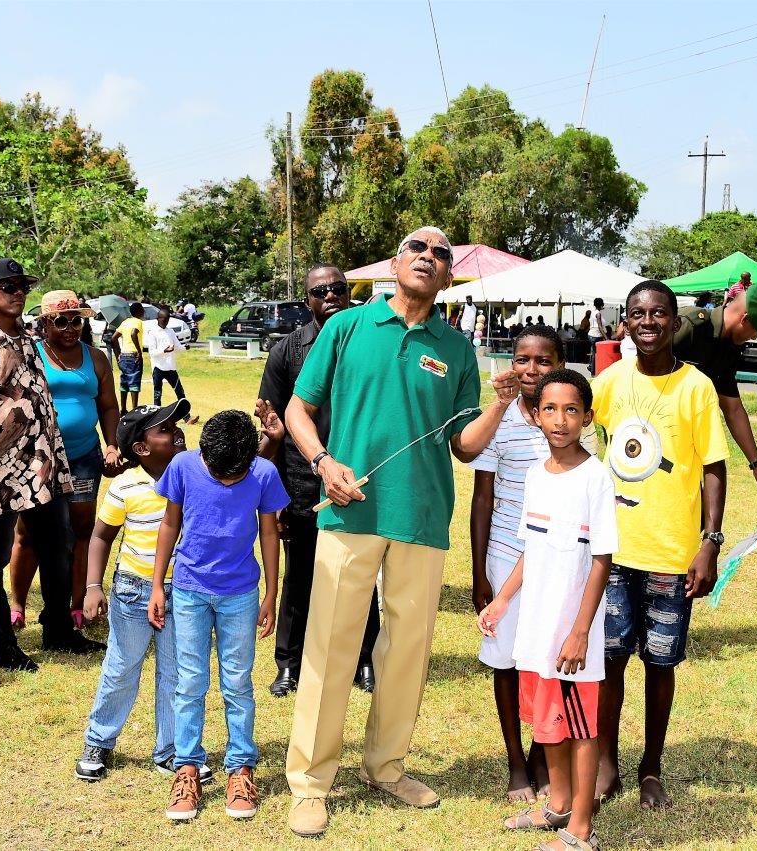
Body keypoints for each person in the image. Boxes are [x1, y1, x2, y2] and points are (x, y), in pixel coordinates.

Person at [282, 226, 520, 837]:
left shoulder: (457, 349)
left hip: (421, 517)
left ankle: (386, 766)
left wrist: (500, 401)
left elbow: (465, 446)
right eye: (419, 248)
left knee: (405, 653)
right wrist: (322, 463)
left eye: (442, 255)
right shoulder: (347, 327)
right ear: (396, 262)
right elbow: (297, 410)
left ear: (449, 277)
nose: (429, 258)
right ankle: (310, 783)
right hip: (349, 511)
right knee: (330, 649)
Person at [592, 279, 728, 810]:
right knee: (610, 662)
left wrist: (709, 543)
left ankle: (651, 767)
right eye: (637, 314)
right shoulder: (609, 381)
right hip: (614, 551)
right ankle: (607, 764)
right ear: (625, 323)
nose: (648, 322)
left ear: (675, 322)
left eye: (659, 313)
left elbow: (714, 468)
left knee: (660, 663)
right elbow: (576, 427)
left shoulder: (696, 387)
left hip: (672, 555)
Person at [479, 368, 616, 851]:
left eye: (571, 410)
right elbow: (529, 550)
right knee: (547, 722)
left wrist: (580, 631)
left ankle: (581, 828)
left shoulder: (595, 478)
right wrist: (501, 599)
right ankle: (558, 805)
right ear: (536, 416)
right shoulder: (537, 474)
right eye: (551, 409)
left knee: (579, 729)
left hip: (571, 634)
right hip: (536, 629)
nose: (560, 420)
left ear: (588, 418)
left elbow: (601, 559)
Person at [0, 258, 103, 672]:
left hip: (40, 468)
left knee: (58, 547)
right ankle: (0, 644)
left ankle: (58, 630)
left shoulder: (28, 339)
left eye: (21, 287)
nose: (17, 293)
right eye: (7, 286)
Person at [148, 410, 290, 821]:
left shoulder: (263, 474)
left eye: (235, 474)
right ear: (202, 452)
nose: (227, 480)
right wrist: (159, 584)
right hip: (190, 591)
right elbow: (169, 524)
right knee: (189, 682)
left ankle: (240, 767)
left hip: (241, 595)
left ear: (251, 458)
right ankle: (187, 767)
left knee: (237, 682)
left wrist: (272, 593)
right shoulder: (181, 466)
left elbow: (268, 532)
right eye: (218, 472)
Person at [73, 400, 212, 786]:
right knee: (122, 667)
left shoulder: (196, 477)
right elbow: (100, 536)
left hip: (183, 592)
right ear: (141, 449)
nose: (177, 431)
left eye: (176, 424)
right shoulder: (125, 486)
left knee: (177, 672)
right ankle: (98, 741)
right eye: (165, 429)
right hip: (133, 591)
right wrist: (92, 586)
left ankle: (171, 750)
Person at [258, 266, 380, 699]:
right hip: (303, 480)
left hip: (359, 478)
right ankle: (289, 663)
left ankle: (365, 659)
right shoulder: (287, 351)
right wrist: (274, 494)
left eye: (337, 288)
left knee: (360, 574)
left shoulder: (370, 341)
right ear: (306, 299)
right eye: (319, 290)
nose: (329, 295)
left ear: (349, 293)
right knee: (300, 575)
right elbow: (274, 425)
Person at [469, 326, 565, 802]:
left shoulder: (569, 419)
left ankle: (542, 753)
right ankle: (515, 761)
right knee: (505, 661)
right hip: (505, 557)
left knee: (548, 661)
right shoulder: (500, 419)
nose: (532, 369)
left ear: (560, 364)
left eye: (544, 361)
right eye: (523, 359)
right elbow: (482, 497)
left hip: (558, 560)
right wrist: (478, 573)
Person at [8, 291, 122, 632]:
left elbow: (108, 407)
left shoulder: (97, 358)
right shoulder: (31, 354)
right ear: (44, 323)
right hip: (38, 458)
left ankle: (76, 606)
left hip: (84, 457)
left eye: (77, 320)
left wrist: (112, 445)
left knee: (81, 530)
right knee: (27, 532)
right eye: (61, 321)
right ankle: (17, 605)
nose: (71, 327)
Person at [673, 282, 757, 500]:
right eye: (756, 330)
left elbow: (733, 409)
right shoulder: (690, 326)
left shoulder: (729, 348)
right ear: (744, 319)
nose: (754, 337)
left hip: (685, 444)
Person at [147, 308, 198, 423]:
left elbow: (177, 346)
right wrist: (164, 350)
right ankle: (156, 419)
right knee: (157, 394)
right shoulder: (153, 332)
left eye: (168, 320)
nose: (166, 322)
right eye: (164, 320)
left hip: (171, 367)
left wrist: (185, 347)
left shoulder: (170, 331)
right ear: (158, 319)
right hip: (158, 367)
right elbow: (152, 352)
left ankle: (187, 417)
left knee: (180, 392)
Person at [116, 302, 145, 414]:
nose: (143, 312)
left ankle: (123, 409)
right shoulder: (138, 322)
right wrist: (139, 351)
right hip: (134, 355)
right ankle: (134, 409)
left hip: (124, 355)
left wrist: (118, 354)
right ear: (139, 312)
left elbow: (114, 338)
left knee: (124, 381)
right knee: (134, 382)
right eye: (142, 310)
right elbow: (134, 334)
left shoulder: (125, 322)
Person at [587, 298, 606, 374]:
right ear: (601, 305)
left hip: (591, 334)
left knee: (593, 351)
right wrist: (606, 338)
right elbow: (600, 327)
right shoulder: (598, 314)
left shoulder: (592, 312)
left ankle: (591, 366)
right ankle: (593, 369)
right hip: (596, 335)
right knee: (596, 353)